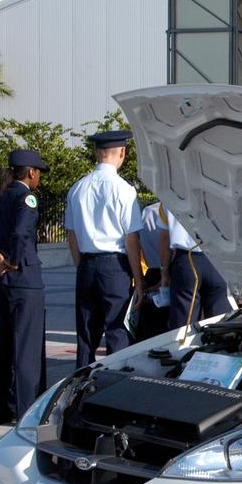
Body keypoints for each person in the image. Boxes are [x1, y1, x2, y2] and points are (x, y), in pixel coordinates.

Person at [64, 130, 144, 367]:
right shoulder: (124, 190)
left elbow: (71, 234)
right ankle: (116, 384)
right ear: (122, 152)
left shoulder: (77, 188)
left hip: (87, 264)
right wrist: (138, 280)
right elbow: (131, 240)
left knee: (86, 333)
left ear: (96, 153)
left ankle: (81, 388)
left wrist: (83, 265)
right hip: (115, 266)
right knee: (117, 329)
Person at [0, 149, 49, 424]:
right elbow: (21, 232)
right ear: (31, 172)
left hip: (0, 282)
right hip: (24, 282)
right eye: (39, 173)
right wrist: (16, 262)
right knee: (26, 350)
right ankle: (27, 411)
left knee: (0, 346)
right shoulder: (26, 198)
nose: (39, 178)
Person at [160, 205, 232, 328]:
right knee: (220, 323)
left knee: (183, 327)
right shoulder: (223, 189)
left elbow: (164, 238)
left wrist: (164, 272)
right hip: (218, 260)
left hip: (186, 261)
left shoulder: (170, 192)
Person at [135, 201, 170, 340]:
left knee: (151, 324)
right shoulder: (170, 209)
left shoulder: (147, 212)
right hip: (168, 270)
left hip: (151, 273)